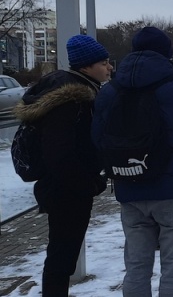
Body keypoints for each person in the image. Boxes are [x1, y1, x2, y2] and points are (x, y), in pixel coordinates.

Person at [92, 26, 173, 297]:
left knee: (136, 266)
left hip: (129, 187)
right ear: (167, 54)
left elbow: (97, 139)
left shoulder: (109, 92)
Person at [13, 34, 112, 296]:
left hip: (61, 186)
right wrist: (89, 182)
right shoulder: (71, 98)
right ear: (86, 66)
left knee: (62, 255)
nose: (109, 67)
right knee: (61, 257)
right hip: (67, 189)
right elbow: (60, 152)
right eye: (104, 62)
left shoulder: (70, 89)